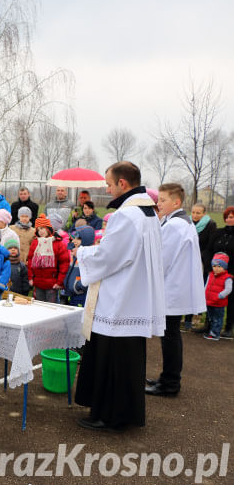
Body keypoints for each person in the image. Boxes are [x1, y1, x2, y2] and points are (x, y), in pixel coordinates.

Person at [74, 161, 166, 432]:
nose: (107, 187)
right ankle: (124, 413)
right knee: (128, 361)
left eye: (109, 183)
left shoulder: (127, 216)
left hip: (118, 301)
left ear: (123, 183)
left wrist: (82, 253)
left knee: (111, 360)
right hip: (133, 298)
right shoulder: (147, 213)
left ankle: (108, 415)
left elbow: (109, 257)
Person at [145, 183, 205, 397]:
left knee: (170, 336)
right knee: (170, 335)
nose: (157, 203)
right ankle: (168, 378)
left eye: (162, 200)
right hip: (175, 287)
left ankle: (170, 382)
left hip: (171, 289)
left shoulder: (174, 225)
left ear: (176, 202)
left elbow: (162, 261)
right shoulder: (180, 222)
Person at [202, 206, 234, 339]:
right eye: (227, 216)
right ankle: (208, 325)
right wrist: (210, 268)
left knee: (230, 301)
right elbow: (209, 250)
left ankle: (228, 328)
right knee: (210, 299)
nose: (228, 219)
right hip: (214, 273)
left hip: (230, 275)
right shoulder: (218, 233)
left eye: (231, 217)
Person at [184, 203, 217, 330]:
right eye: (193, 212)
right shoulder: (187, 223)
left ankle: (197, 318)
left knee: (199, 290)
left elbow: (210, 245)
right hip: (187, 260)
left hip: (203, 262)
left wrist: (199, 256)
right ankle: (186, 319)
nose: (195, 215)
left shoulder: (210, 224)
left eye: (198, 213)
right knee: (187, 289)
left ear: (204, 214)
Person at [27, 214, 69, 303]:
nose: (40, 231)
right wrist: (30, 278)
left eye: (42, 228)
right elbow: (30, 261)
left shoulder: (57, 243)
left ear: (48, 228)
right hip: (38, 283)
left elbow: (64, 263)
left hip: (52, 284)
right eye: (38, 229)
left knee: (52, 307)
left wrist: (59, 282)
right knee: (39, 306)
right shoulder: (35, 243)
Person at [62, 226, 94, 306]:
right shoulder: (75, 253)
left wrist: (78, 286)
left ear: (86, 240)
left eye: (78, 239)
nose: (74, 241)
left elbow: (89, 276)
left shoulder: (88, 257)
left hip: (81, 294)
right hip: (72, 293)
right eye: (74, 238)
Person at [203, 253, 232, 340]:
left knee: (217, 319)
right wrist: (204, 294)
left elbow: (228, 289)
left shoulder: (227, 278)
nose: (216, 268)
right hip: (210, 301)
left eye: (219, 266)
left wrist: (220, 295)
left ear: (225, 267)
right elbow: (206, 285)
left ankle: (215, 334)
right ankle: (212, 331)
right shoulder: (210, 275)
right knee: (211, 318)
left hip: (219, 303)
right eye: (214, 266)